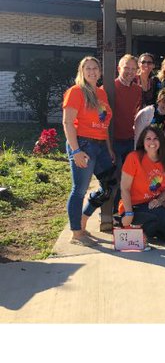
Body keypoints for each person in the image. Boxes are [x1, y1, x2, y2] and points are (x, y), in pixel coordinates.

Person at [62, 56, 116, 242]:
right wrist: (75, 151)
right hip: (83, 144)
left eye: (95, 68)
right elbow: (68, 122)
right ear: (82, 72)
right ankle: (77, 233)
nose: (92, 72)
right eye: (88, 68)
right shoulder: (76, 91)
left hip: (101, 146)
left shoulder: (101, 93)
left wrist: (109, 148)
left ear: (100, 72)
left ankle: (83, 219)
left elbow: (104, 124)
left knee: (109, 185)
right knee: (79, 190)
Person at [119, 127, 165, 243]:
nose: (152, 142)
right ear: (142, 141)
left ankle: (147, 231)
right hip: (133, 207)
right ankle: (136, 232)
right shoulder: (134, 157)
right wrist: (128, 213)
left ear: (161, 141)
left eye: (156, 138)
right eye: (148, 139)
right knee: (162, 215)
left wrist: (159, 200)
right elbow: (124, 188)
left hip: (152, 206)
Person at [112, 53, 141, 211]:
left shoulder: (137, 90)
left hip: (130, 139)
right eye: (126, 68)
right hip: (114, 140)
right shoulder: (109, 88)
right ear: (119, 69)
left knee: (129, 177)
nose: (130, 71)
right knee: (116, 178)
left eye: (133, 69)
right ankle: (113, 211)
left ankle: (125, 208)